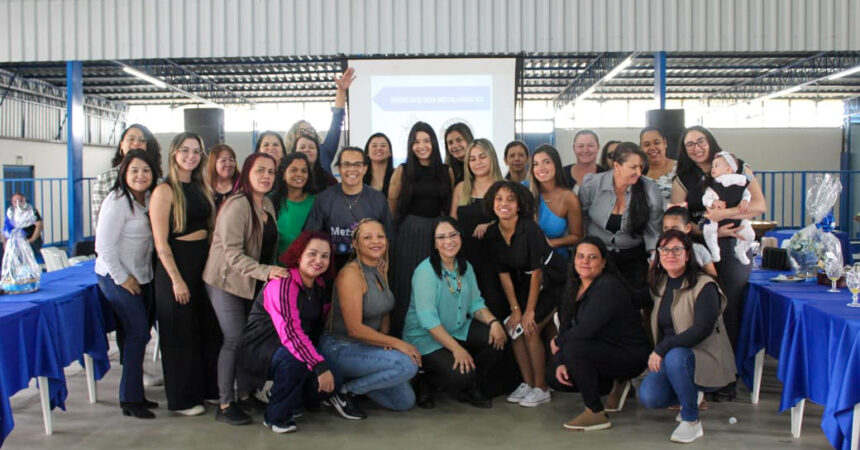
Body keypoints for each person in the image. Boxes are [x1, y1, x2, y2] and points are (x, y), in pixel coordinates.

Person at [240, 231, 365, 434]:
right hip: (262, 349)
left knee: (334, 377)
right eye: (312, 254)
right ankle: (275, 417)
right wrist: (318, 365)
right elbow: (290, 333)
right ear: (298, 255)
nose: (319, 260)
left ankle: (291, 399)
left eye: (325, 256)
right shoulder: (282, 283)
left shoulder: (319, 285)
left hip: (293, 348)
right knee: (299, 362)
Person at [202, 153, 290, 425]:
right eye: (260, 171)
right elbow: (232, 254)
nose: (266, 176)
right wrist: (266, 272)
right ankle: (226, 403)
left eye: (271, 172)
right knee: (234, 339)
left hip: (251, 281)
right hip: (226, 280)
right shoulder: (237, 205)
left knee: (250, 339)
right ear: (248, 173)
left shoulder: (266, 204)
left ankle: (244, 395)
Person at [670, 126, 766, 363]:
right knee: (701, 310)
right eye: (689, 144)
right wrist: (708, 229)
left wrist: (725, 215)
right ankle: (702, 366)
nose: (696, 148)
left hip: (733, 245)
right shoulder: (683, 179)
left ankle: (729, 369)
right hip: (699, 247)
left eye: (700, 141)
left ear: (710, 141)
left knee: (730, 306)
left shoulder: (739, 167)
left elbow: (759, 205)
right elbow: (677, 218)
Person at [638, 229, 735, 444]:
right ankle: (690, 392)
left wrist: (661, 349)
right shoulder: (660, 284)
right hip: (674, 357)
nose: (670, 254)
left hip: (705, 356)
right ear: (658, 255)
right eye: (664, 250)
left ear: (688, 255)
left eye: (676, 250)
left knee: (675, 356)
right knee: (649, 397)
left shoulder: (705, 285)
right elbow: (635, 299)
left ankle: (691, 420)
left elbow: (701, 329)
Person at [150, 132, 220, 416]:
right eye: (185, 150)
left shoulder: (202, 187)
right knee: (180, 335)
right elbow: (160, 242)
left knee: (206, 329)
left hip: (202, 264)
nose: (191, 156)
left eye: (196, 151)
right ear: (174, 153)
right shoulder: (164, 191)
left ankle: (207, 388)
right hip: (175, 267)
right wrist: (176, 279)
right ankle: (182, 399)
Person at [403, 217, 507, 409]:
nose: (448, 241)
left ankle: (470, 386)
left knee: (497, 340)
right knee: (461, 375)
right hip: (426, 337)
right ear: (434, 243)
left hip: (456, 328)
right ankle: (427, 382)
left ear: (460, 237)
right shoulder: (425, 272)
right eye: (441, 237)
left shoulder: (465, 267)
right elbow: (429, 321)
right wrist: (456, 349)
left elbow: (475, 304)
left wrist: (494, 322)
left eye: (452, 235)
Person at [548, 237, 650, 431]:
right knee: (555, 375)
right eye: (580, 256)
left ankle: (595, 412)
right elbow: (566, 326)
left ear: (603, 263)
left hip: (630, 354)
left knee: (574, 348)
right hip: (604, 348)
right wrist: (561, 359)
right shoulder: (574, 285)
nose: (585, 262)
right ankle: (616, 382)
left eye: (592, 257)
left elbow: (587, 328)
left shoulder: (607, 286)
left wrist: (559, 342)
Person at [320, 219, 420, 413]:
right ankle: (343, 392)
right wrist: (397, 344)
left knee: (404, 401)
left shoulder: (379, 268)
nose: (376, 241)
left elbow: (384, 311)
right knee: (408, 364)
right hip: (340, 346)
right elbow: (355, 329)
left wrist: (385, 345)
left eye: (380, 236)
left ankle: (353, 380)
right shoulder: (351, 275)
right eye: (367, 237)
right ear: (355, 244)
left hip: (366, 346)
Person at [483, 181, 566, 407]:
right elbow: (503, 275)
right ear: (492, 204)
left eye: (510, 199)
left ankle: (542, 388)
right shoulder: (492, 233)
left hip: (554, 282)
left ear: (519, 205)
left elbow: (537, 272)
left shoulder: (529, 228)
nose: (504, 204)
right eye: (499, 199)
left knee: (530, 329)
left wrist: (528, 312)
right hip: (526, 285)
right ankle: (528, 383)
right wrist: (515, 310)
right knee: (514, 328)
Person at [92, 123, 163, 388]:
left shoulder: (147, 199)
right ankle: (130, 395)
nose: (140, 175)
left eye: (146, 171)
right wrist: (121, 278)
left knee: (136, 333)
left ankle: (134, 393)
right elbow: (104, 245)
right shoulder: (117, 199)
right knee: (136, 333)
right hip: (117, 274)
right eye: (134, 170)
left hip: (141, 274)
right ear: (124, 171)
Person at [388, 121, 453, 337]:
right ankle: (404, 336)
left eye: (426, 141)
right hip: (409, 235)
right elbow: (392, 206)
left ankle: (434, 337)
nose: (422, 146)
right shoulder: (402, 170)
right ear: (410, 146)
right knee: (407, 286)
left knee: (435, 286)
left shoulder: (447, 171)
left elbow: (448, 205)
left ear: (434, 143)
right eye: (416, 142)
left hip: (437, 236)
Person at [578, 142, 663, 297]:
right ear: (617, 166)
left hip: (633, 257)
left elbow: (653, 232)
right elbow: (582, 219)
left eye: (641, 167)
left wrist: (653, 263)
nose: (639, 172)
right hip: (598, 257)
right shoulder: (592, 184)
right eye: (633, 167)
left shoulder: (650, 190)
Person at [304, 147, 394, 272]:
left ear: (365, 168)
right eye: (346, 164)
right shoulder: (323, 199)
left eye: (357, 164)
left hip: (369, 268)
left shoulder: (378, 199)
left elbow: (388, 235)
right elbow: (311, 237)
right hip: (330, 268)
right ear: (339, 168)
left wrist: (384, 258)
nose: (352, 169)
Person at [284, 67, 355, 176]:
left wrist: (341, 91)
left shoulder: (324, 151)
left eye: (310, 130)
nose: (307, 133)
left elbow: (336, 122)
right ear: (293, 136)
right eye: (303, 130)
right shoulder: (285, 160)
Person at [92, 123, 162, 227]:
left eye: (142, 140)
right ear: (121, 145)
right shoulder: (105, 180)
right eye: (131, 139)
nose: (136, 143)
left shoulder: (157, 180)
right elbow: (99, 224)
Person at [529, 144, 582, 260]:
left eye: (546, 162)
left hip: (555, 261)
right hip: (526, 258)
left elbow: (577, 236)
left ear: (556, 165)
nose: (541, 168)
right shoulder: (525, 190)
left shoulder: (569, 198)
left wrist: (550, 243)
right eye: (536, 164)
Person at [701, 152, 755, 265]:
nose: (713, 168)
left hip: (737, 217)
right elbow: (705, 199)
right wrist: (713, 202)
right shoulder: (713, 185)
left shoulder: (740, 182)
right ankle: (715, 250)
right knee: (709, 229)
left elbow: (746, 194)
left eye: (717, 166)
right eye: (712, 166)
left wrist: (745, 201)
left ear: (729, 169)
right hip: (716, 218)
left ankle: (740, 250)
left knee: (750, 234)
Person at [272, 152, 315, 259]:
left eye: (304, 171)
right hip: (276, 269)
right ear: (283, 174)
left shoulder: (316, 202)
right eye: (294, 170)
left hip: (307, 269)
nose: (299, 174)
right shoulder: (270, 200)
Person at [662, 206, 717, 277]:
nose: (669, 232)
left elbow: (713, 278)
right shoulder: (660, 251)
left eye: (675, 228)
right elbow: (652, 279)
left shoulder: (699, 250)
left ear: (687, 228)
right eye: (666, 228)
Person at [641, 127, 677, 207]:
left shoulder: (680, 168)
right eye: (647, 145)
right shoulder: (637, 172)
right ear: (641, 148)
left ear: (664, 143)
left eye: (657, 143)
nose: (652, 148)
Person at [207, 144, 238, 209]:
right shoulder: (205, 187)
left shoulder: (241, 185)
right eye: (223, 160)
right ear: (213, 163)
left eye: (231, 160)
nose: (228, 164)